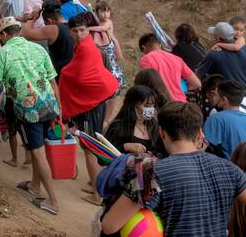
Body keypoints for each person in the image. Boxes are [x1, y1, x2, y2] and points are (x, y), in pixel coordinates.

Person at [101, 102, 246, 237]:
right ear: (200, 134)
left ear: (162, 133)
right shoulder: (230, 169)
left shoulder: (148, 170)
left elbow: (109, 225)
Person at [0, 17, 61, 216]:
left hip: (29, 110)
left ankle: (53, 202)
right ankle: (34, 185)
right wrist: (60, 108)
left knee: (38, 153)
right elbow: (53, 82)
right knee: (38, 148)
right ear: (19, 31)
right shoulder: (39, 49)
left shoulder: (2, 54)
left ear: (4, 35)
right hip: (49, 105)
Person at [59, 14, 119, 206]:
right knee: (93, 145)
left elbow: (78, 75)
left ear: (88, 30)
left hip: (90, 106)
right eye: (75, 31)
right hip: (95, 103)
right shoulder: (87, 45)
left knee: (89, 148)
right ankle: (97, 185)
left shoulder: (85, 47)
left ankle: (97, 194)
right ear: (69, 32)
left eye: (82, 30)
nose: (79, 34)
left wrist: (64, 74)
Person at [138, 33, 200, 102]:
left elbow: (146, 88)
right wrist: (179, 90)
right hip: (182, 105)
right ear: (160, 44)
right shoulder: (177, 58)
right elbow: (197, 84)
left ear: (143, 48)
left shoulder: (146, 59)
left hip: (163, 105)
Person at [21, 0, 74, 77]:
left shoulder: (54, 28)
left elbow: (24, 33)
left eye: (45, 24)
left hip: (61, 75)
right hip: (72, 72)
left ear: (49, 21)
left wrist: (32, 17)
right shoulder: (71, 25)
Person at [105, 85, 163, 155]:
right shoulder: (118, 127)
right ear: (133, 105)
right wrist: (125, 147)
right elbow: (104, 156)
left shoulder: (155, 126)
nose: (151, 109)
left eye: (153, 106)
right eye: (146, 106)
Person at [203, 80, 246, 158]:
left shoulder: (216, 119)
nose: (213, 97)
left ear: (223, 100)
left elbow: (202, 147)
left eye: (215, 95)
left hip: (228, 167)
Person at [197, 22, 246, 86]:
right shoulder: (243, 48)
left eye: (214, 34)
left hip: (227, 94)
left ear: (218, 38)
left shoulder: (214, 54)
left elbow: (197, 76)